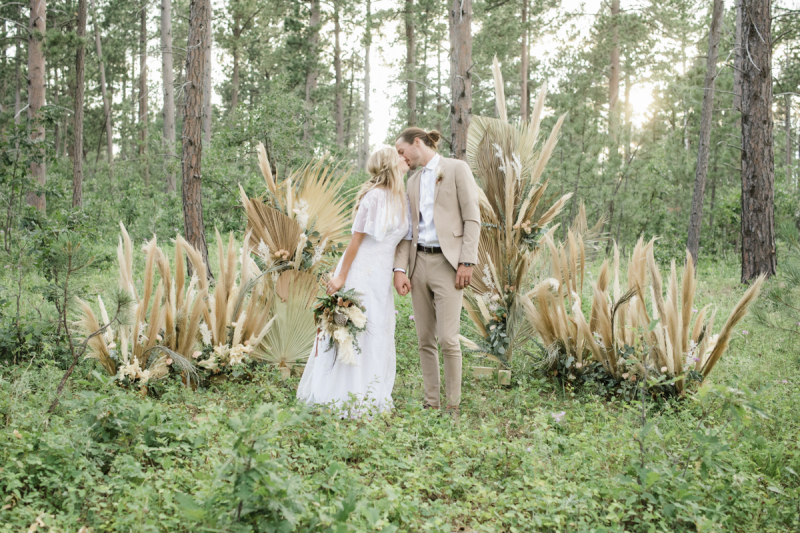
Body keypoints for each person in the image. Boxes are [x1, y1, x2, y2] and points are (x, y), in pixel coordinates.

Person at [296, 147, 411, 415]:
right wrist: (340, 277)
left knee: (379, 331)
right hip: (360, 272)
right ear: (389, 164)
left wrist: (399, 270)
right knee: (356, 330)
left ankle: (370, 392)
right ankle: (343, 395)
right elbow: (355, 243)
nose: (406, 159)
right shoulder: (372, 198)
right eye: (400, 157)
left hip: (382, 277)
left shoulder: (402, 198)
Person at [393, 128, 481, 416]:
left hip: (448, 265)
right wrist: (400, 269)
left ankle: (453, 405)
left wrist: (466, 262)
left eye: (402, 151)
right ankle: (432, 402)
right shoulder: (413, 181)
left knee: (448, 338)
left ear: (417, 143)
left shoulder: (456, 169)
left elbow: (472, 218)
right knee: (424, 339)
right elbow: (408, 231)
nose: (401, 157)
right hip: (418, 264)